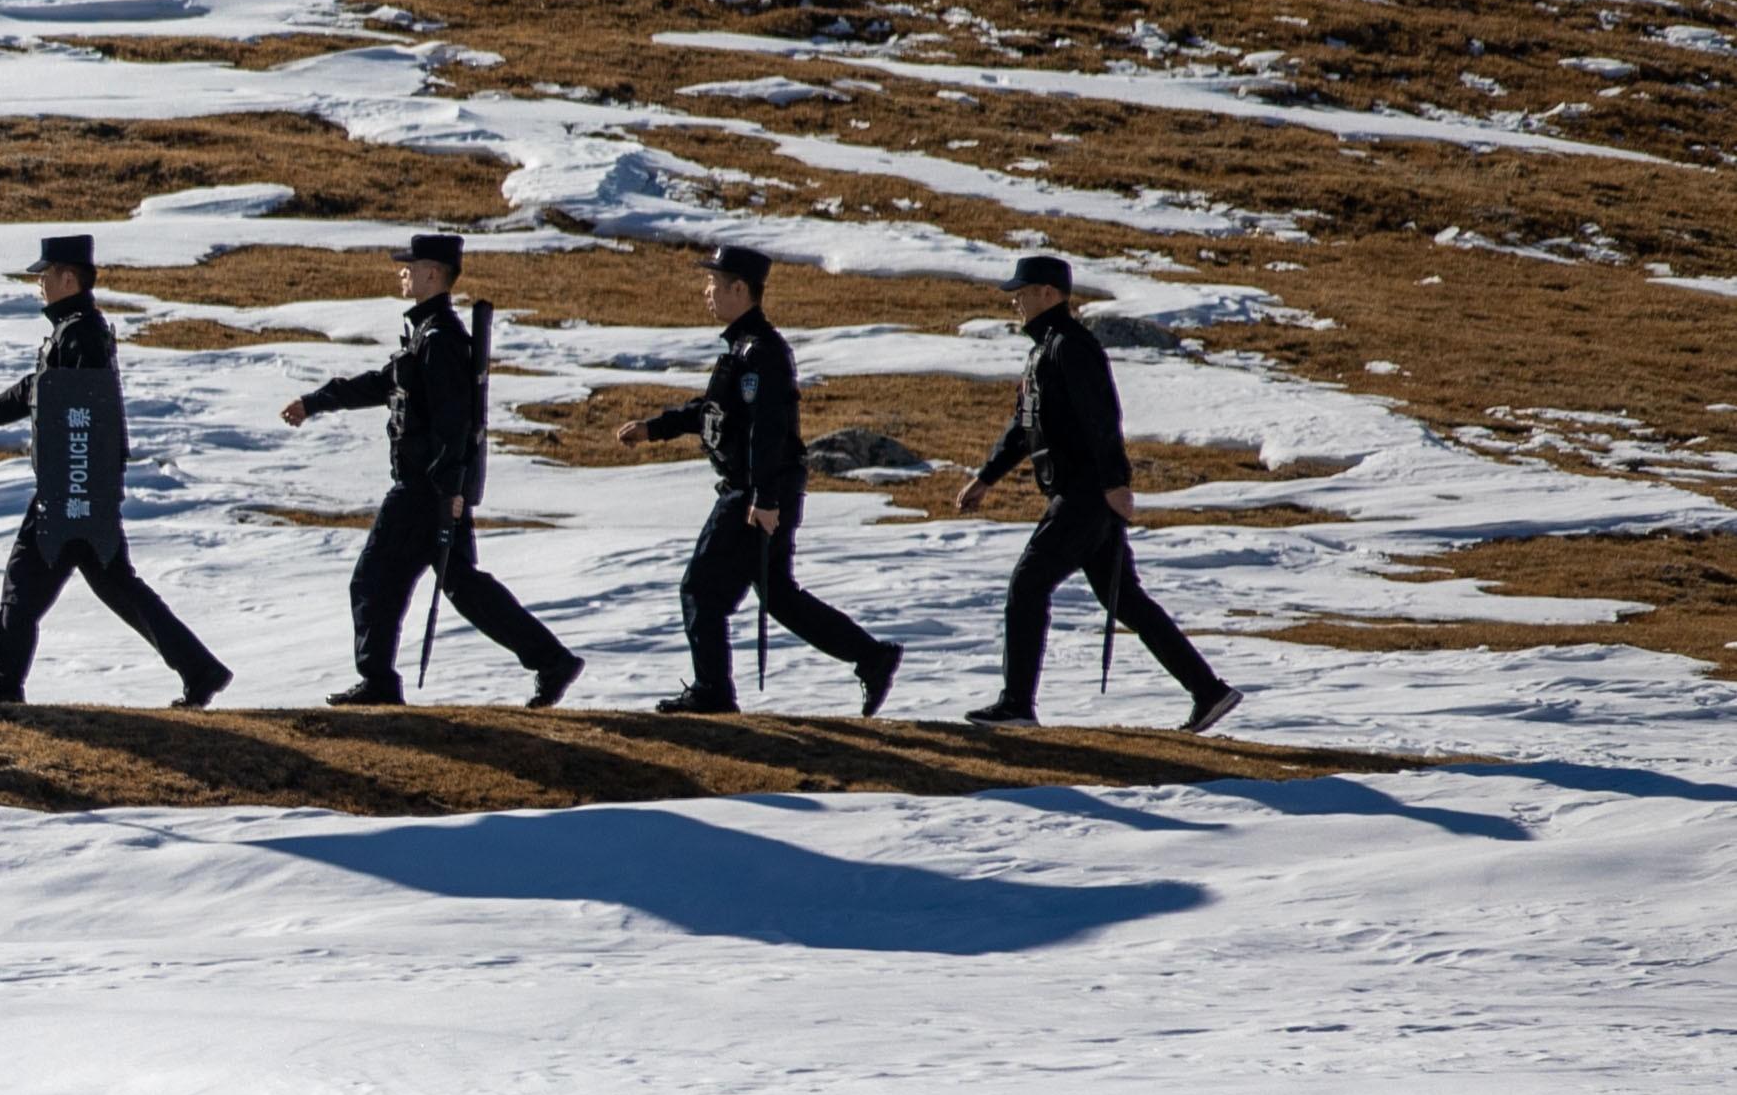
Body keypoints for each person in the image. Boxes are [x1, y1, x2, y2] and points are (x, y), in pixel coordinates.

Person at [281, 231, 581, 709]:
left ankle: (378, 679)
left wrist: (449, 490)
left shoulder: (440, 340)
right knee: (462, 585)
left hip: (425, 488)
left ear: (432, 274)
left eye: (410, 265)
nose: (403, 272)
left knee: (373, 578)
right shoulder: (427, 335)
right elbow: (384, 384)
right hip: (436, 489)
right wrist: (316, 402)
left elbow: (453, 425)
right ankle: (551, 660)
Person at [956, 253, 1241, 733]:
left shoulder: (1071, 347)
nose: (1015, 303)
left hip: (1085, 496)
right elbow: (1023, 428)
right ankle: (1208, 691)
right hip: (1080, 495)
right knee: (1126, 600)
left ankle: (1017, 705)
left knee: (1028, 585)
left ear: (1049, 294)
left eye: (1022, 294)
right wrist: (986, 477)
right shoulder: (1043, 350)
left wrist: (1116, 484)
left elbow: (1103, 419)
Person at [0, 233, 231, 709]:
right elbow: (35, 390)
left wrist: (76, 486)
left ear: (69, 278)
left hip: (69, 493)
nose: (39, 284)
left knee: (24, 581)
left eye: (45, 275)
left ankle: (2, 686)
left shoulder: (81, 334)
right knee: (118, 589)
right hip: (80, 491)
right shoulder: (75, 330)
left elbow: (83, 414)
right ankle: (200, 670)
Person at [623, 243, 903, 716]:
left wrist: (764, 497)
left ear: (740, 289)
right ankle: (872, 656)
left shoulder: (761, 353)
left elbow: (769, 430)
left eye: (714, 284)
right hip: (763, 490)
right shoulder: (742, 348)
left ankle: (713, 692)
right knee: (780, 597)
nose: (706, 292)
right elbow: (715, 412)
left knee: (701, 589)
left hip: (755, 492)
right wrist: (657, 428)